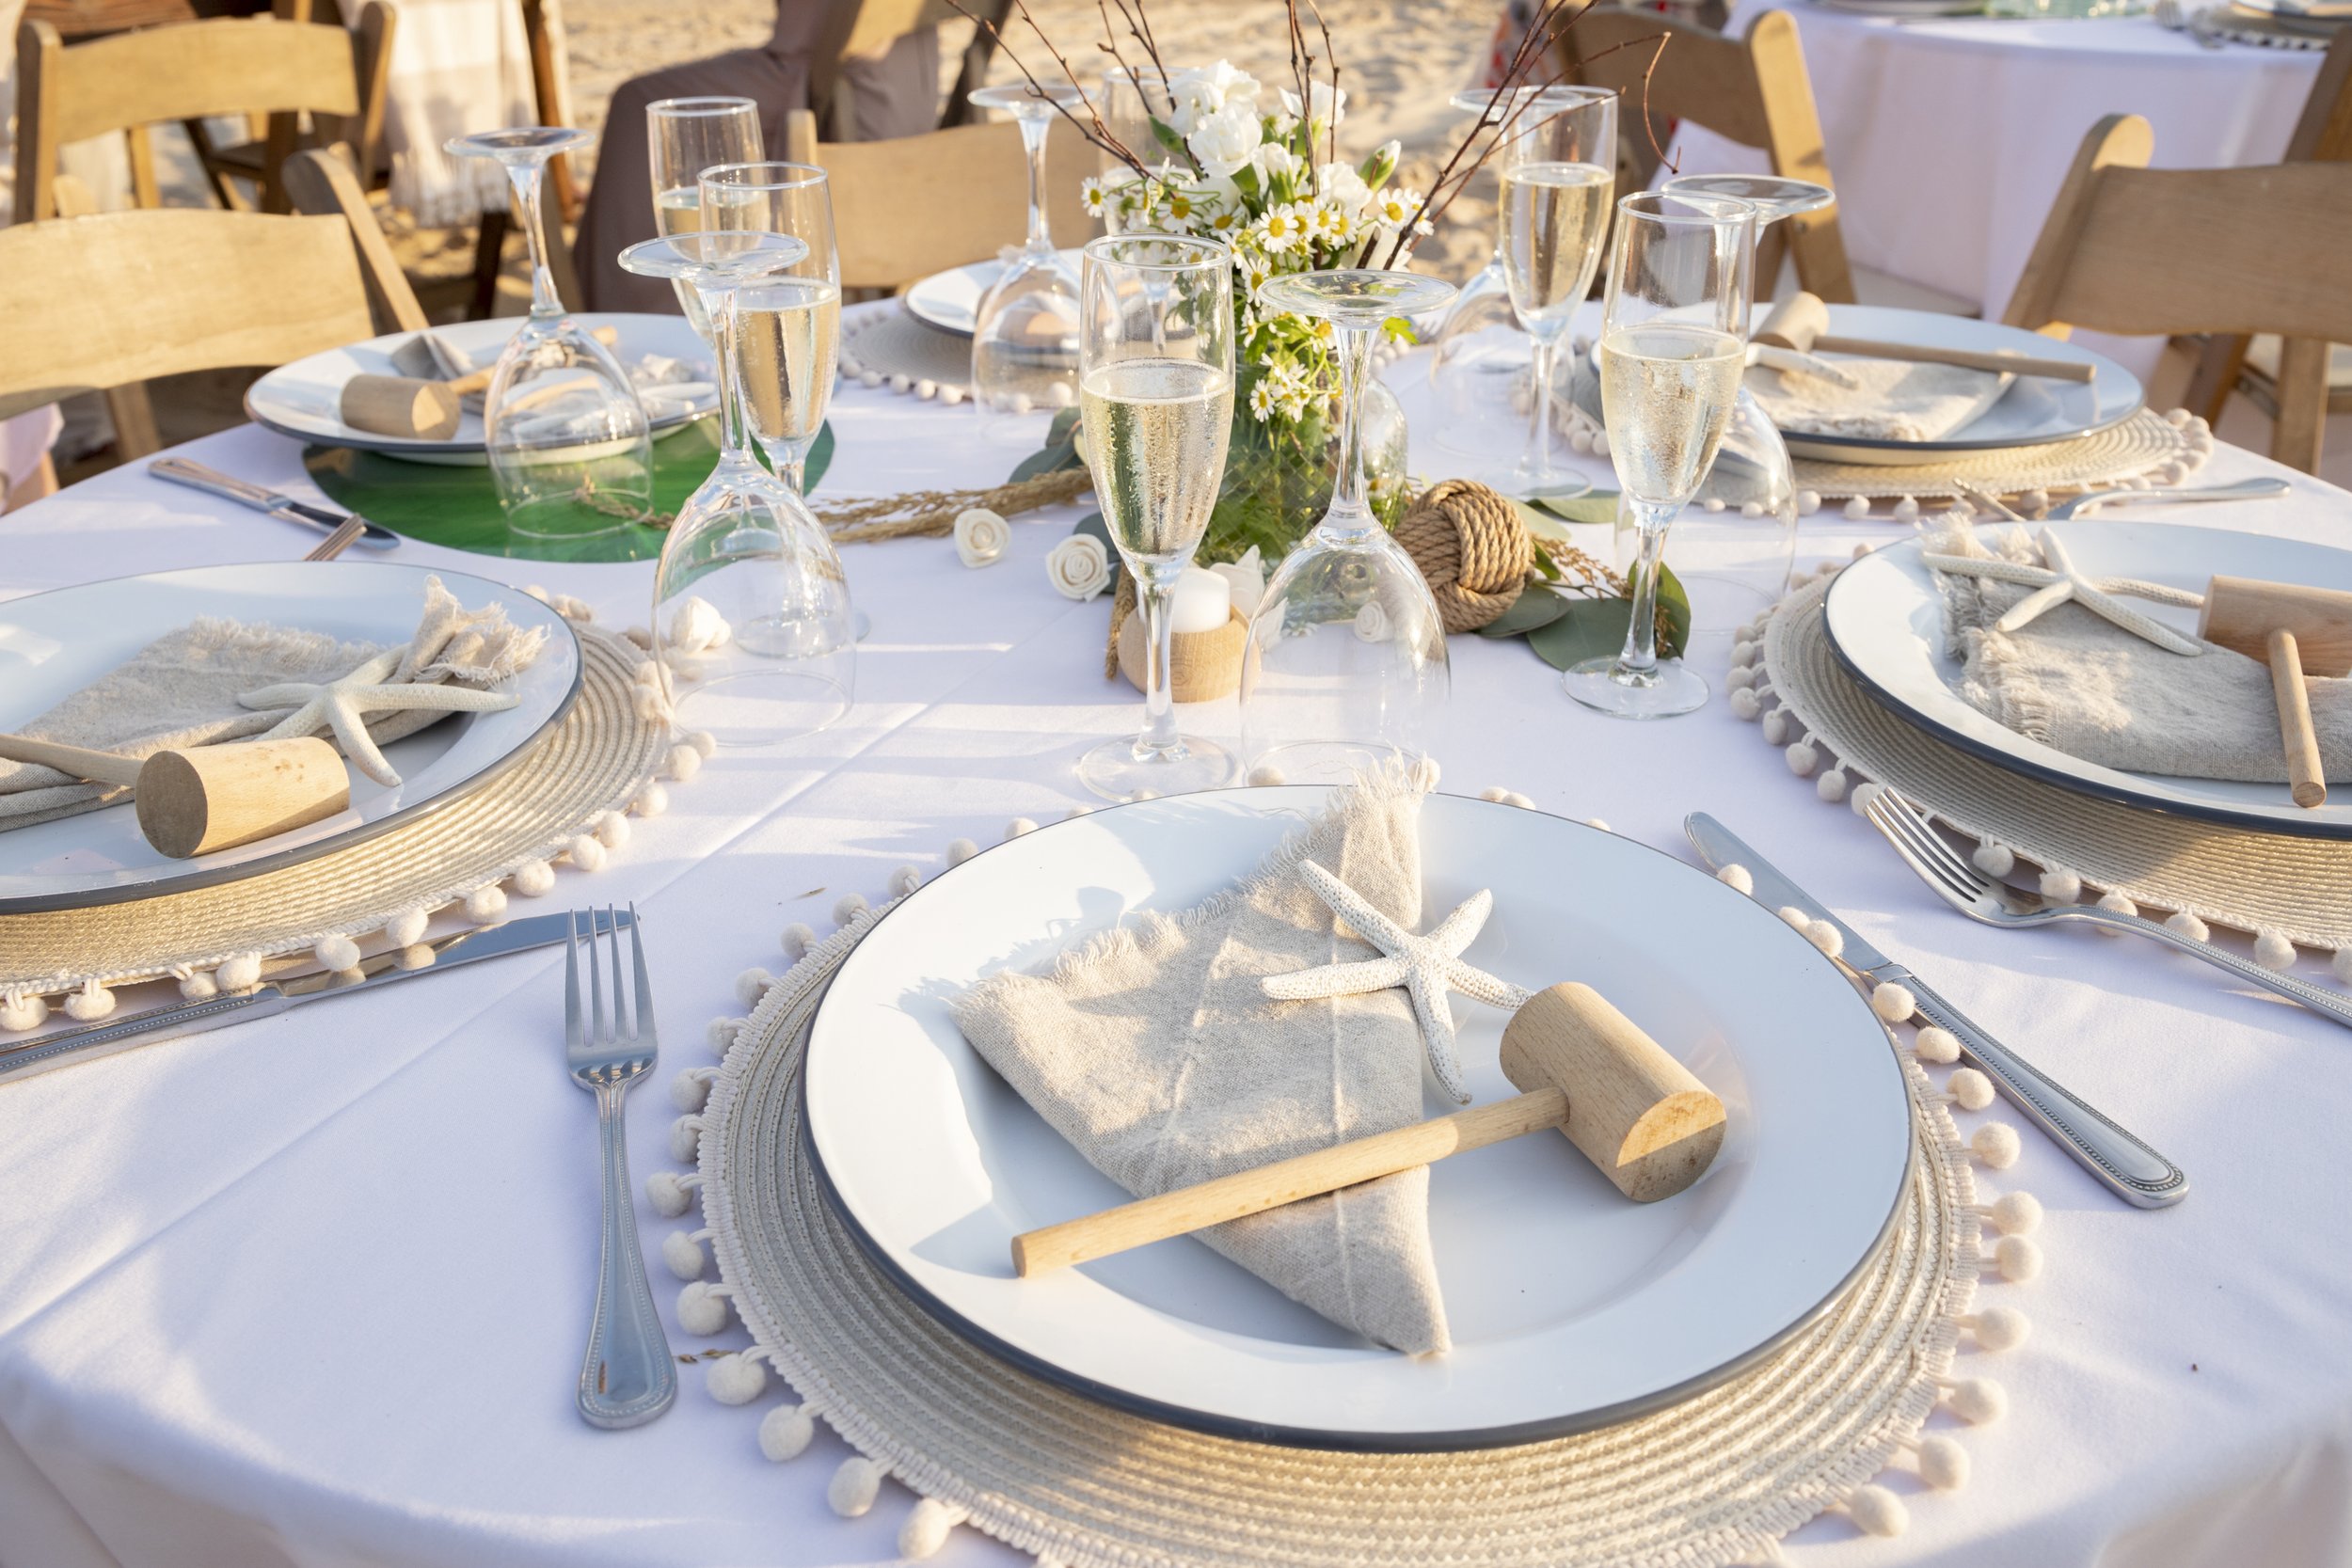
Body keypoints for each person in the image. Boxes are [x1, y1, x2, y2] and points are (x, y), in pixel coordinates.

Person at [575, 0, 942, 311]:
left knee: (637, 101)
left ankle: (642, 311)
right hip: (911, 92)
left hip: (839, 91)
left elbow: (801, 46)